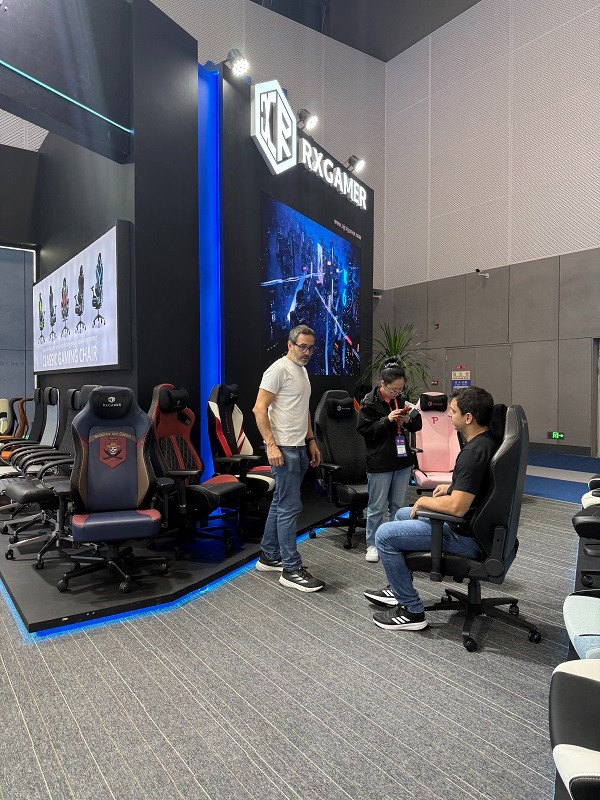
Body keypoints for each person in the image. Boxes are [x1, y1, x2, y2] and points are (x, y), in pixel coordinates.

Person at [364, 386, 497, 631]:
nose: (449, 416)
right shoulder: (487, 442)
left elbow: (457, 507)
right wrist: (452, 486)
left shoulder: (472, 453)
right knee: (402, 514)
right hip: (481, 528)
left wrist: (424, 501)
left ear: (468, 418)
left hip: (467, 537)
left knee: (383, 535)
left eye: (453, 412)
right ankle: (397, 587)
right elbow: (477, 486)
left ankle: (411, 610)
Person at [253, 324, 325, 592]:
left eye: (311, 348)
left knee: (280, 504)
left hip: (299, 446)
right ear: (290, 345)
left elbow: (303, 409)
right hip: (283, 448)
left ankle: (269, 556)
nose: (307, 352)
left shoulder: (302, 371)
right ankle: (291, 569)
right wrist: (271, 446)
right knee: (289, 508)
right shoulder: (278, 370)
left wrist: (311, 440)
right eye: (302, 347)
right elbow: (259, 409)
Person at [357, 362, 422, 562]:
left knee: (398, 506)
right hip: (380, 462)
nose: (397, 393)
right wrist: (387, 420)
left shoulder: (402, 400)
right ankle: (373, 544)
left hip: (402, 461)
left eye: (400, 389)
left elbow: (418, 424)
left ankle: (395, 542)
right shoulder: (369, 403)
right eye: (393, 389)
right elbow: (366, 431)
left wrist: (408, 421)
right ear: (382, 384)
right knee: (376, 507)